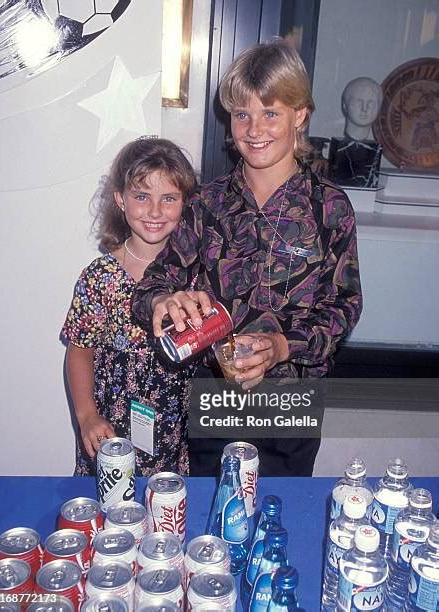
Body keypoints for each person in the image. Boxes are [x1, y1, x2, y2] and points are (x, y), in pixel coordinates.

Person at [132, 39, 362, 476]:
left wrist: (281, 347)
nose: (254, 129)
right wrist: (164, 303)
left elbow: (345, 307)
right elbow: (151, 287)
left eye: (270, 112)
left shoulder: (330, 207)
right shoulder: (206, 203)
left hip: (291, 403)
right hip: (214, 400)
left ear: (301, 115)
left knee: (277, 516)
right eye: (242, 114)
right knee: (210, 523)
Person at [61, 137, 198, 476]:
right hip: (111, 431)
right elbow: (80, 351)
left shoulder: (197, 277)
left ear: (185, 204)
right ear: (120, 200)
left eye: (169, 198)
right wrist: (86, 415)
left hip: (177, 435)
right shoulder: (100, 277)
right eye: (142, 196)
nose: (155, 211)